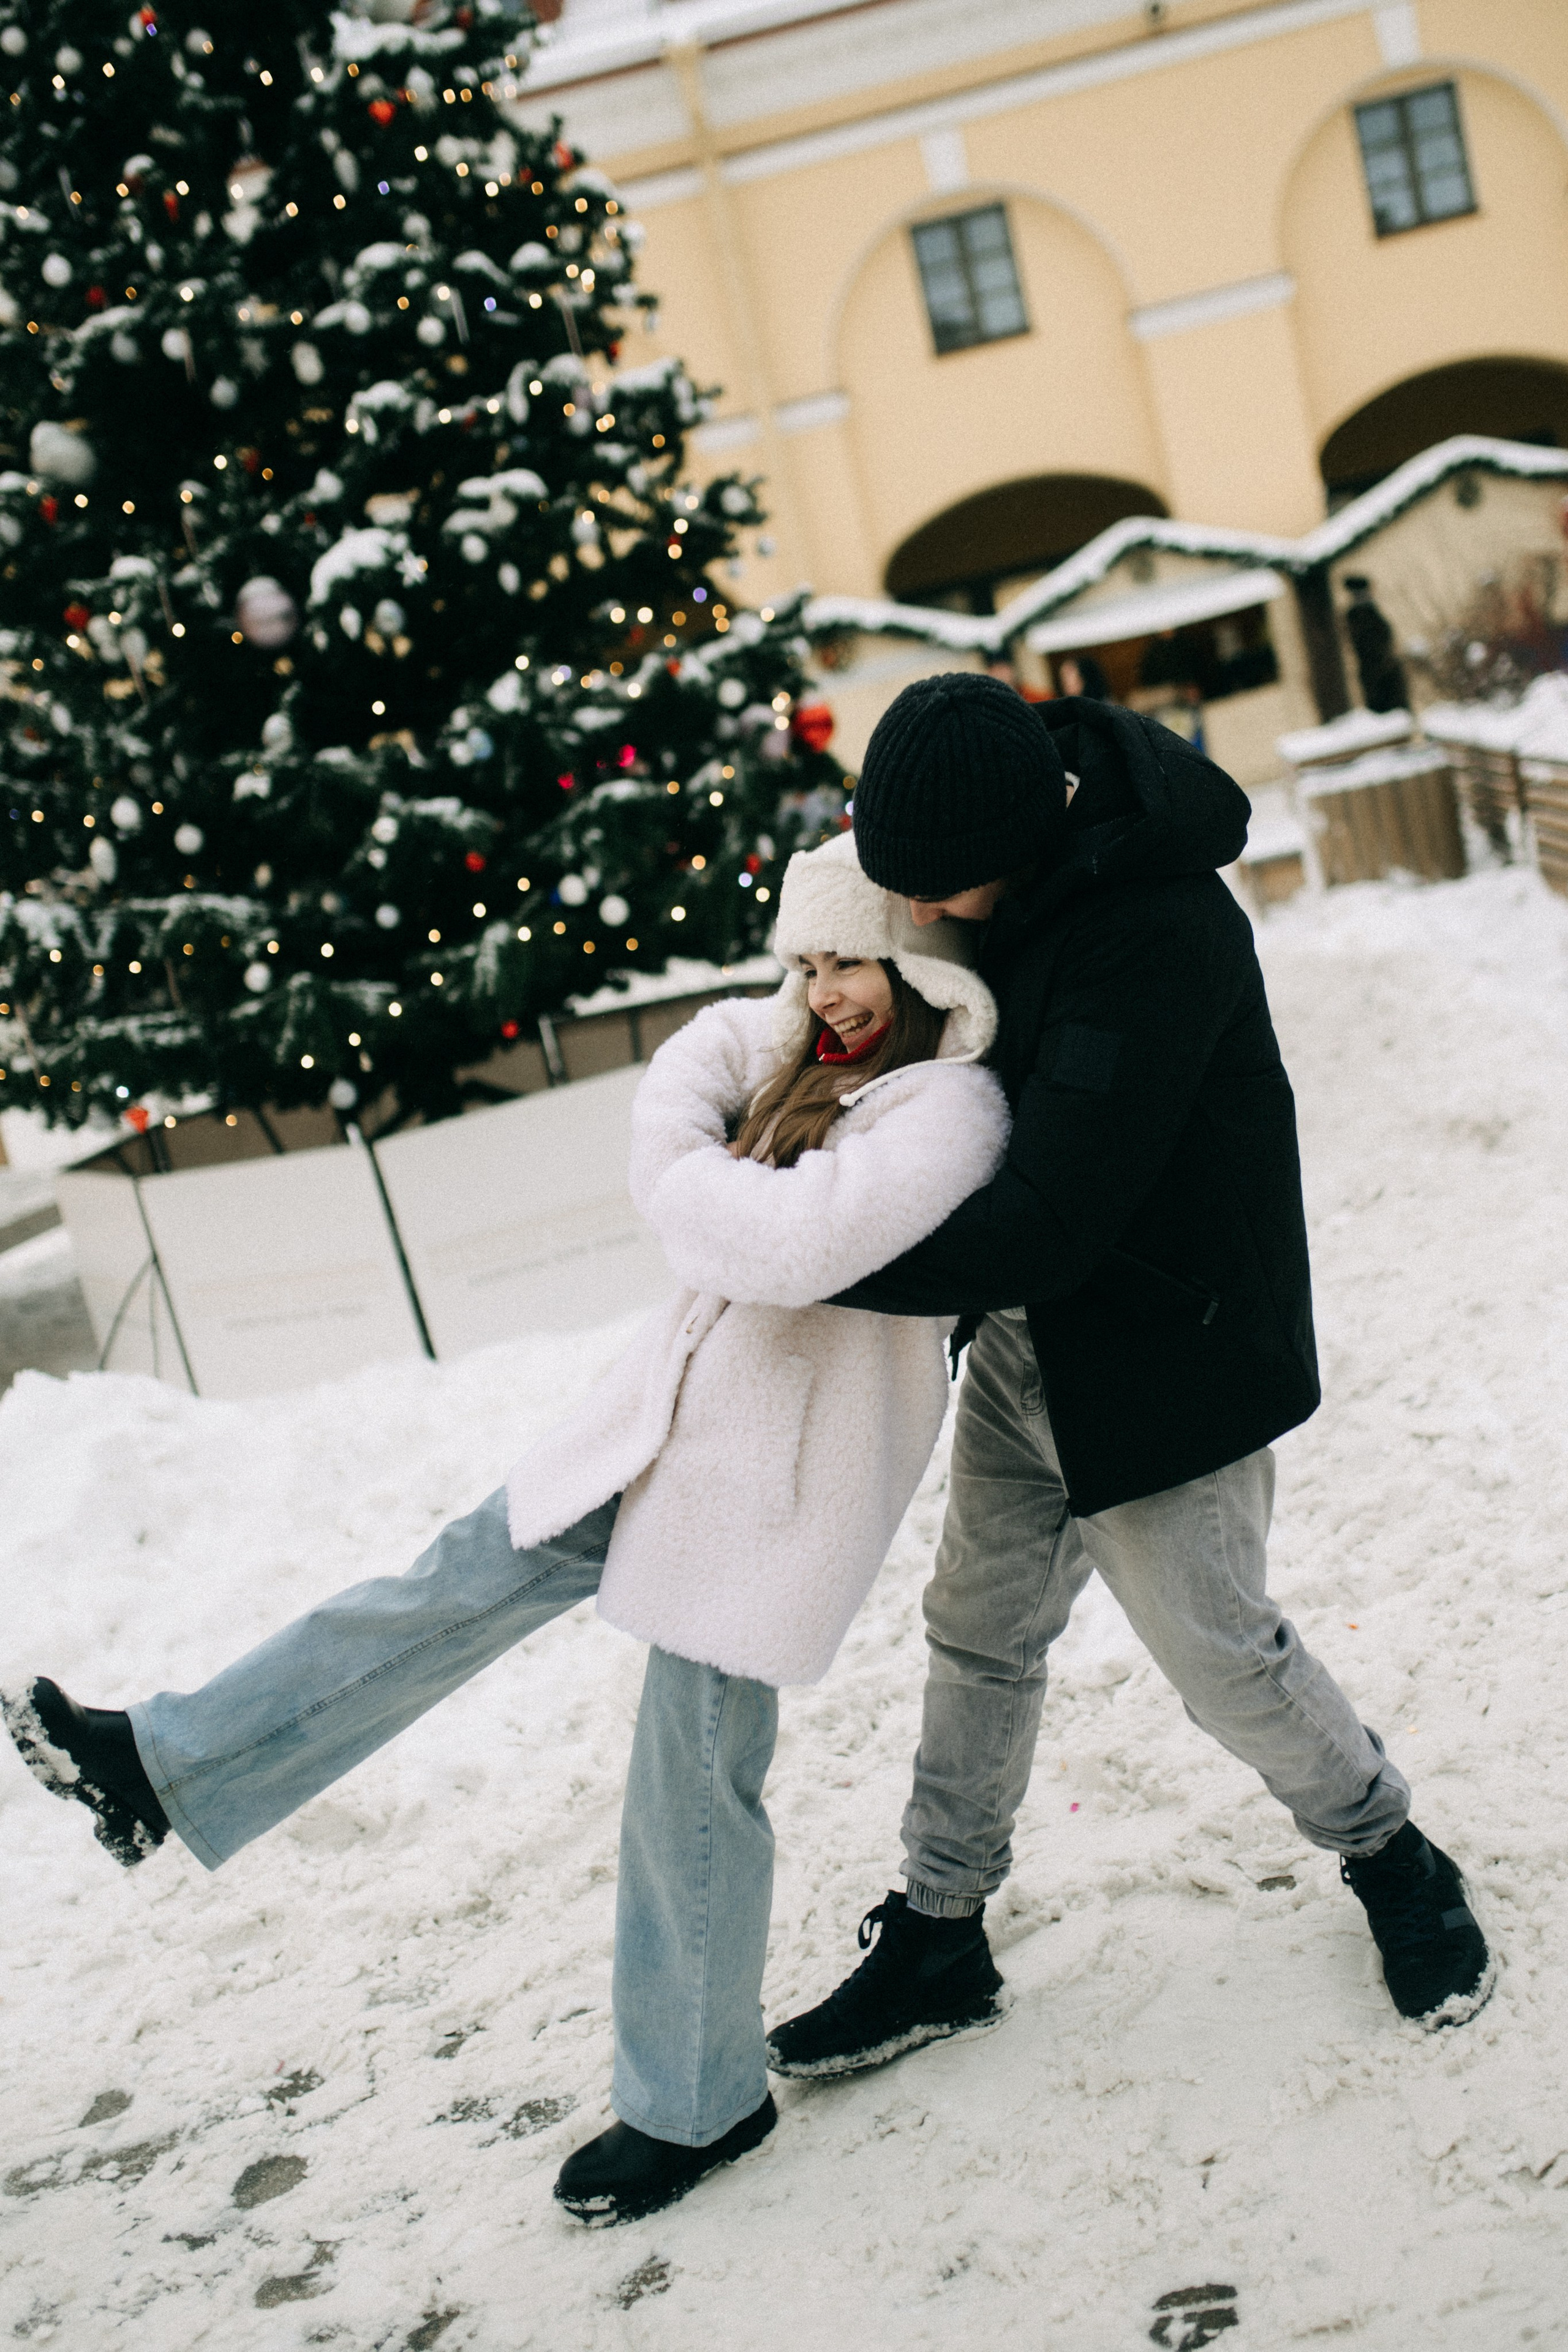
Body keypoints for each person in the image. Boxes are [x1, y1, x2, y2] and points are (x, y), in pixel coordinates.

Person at [4, 831, 1009, 2226]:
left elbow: (780, 1249)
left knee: (691, 1784)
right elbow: (691, 1075)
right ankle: (160, 1766)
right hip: (659, 1435)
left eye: (848, 960)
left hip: (772, 1489)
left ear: (913, 962)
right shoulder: (797, 1050)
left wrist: (682, 1186)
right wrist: (699, 1167)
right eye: (804, 961)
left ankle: (697, 2103)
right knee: (446, 1581)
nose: (820, 992)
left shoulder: (948, 1113)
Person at [737, 673, 1488, 2081]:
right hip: (1031, 1341)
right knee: (975, 1629)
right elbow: (888, 992)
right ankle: (940, 1931)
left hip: (1164, 1347)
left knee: (1218, 1654)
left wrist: (799, 1253)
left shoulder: (1154, 932)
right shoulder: (996, 850)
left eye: (922, 885)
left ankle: (1388, 1853)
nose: (907, 907)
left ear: (1004, 842)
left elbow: (1054, 1216)